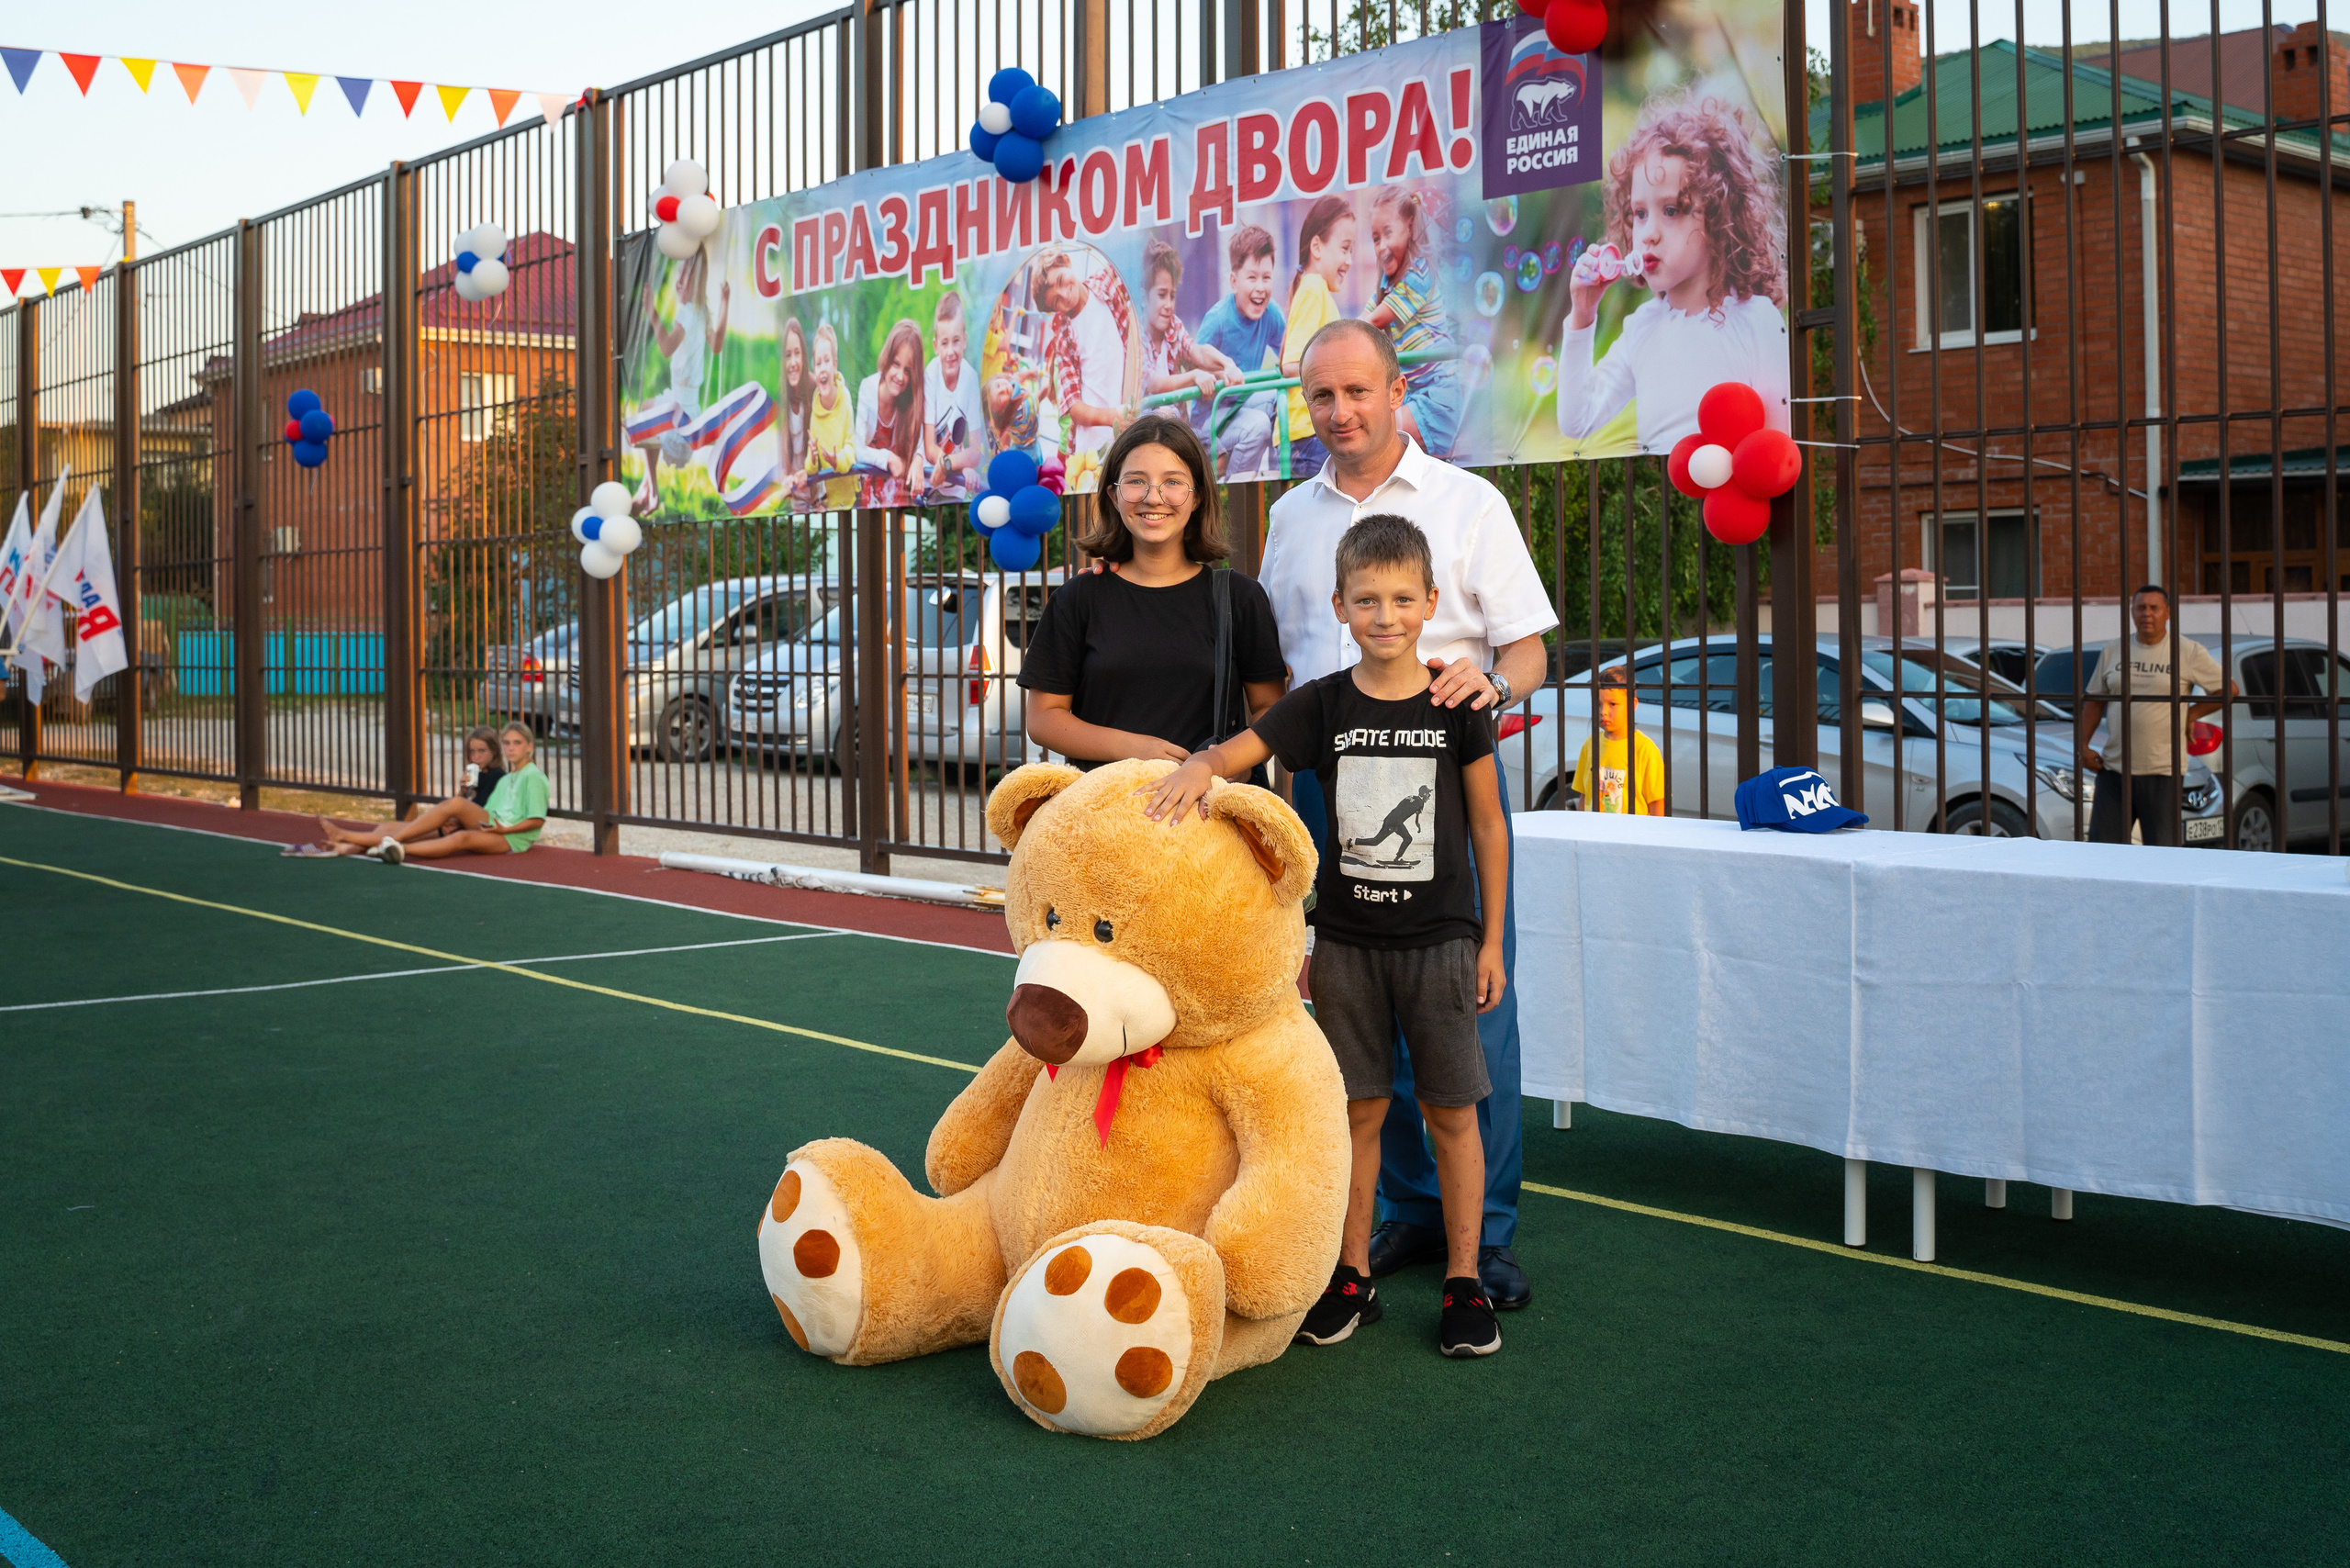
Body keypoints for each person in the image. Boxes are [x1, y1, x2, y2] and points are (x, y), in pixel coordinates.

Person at [1143, 513, 1510, 1358]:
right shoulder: (1324, 705)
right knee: (1356, 1112)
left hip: (1442, 945)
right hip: (1346, 945)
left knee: (1453, 1114)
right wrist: (1197, 766)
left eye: (1402, 600)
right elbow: (1238, 752)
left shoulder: (1456, 702)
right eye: (1367, 600)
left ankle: (1464, 1279)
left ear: (1430, 604)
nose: (1386, 616)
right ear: (1341, 606)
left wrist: (1490, 942)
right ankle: (1351, 1277)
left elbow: (1488, 828)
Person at [1256, 317, 1558, 1311]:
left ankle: (1493, 1237)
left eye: (1357, 393)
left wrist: (1491, 688)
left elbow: (1527, 653)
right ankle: (1408, 1211)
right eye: (1321, 399)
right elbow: (1287, 677)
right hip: (1326, 783)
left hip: (1442, 775)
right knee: (1357, 1018)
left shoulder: (1469, 504)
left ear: (1396, 391)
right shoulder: (1292, 517)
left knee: (1476, 1013)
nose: (1340, 414)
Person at [1020, 415, 1286, 767]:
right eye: (1136, 482)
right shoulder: (1079, 599)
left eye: (1172, 482)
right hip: (1102, 812)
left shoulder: (1239, 598)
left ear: (1197, 498)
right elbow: (1043, 719)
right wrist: (1133, 749)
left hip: (1205, 812)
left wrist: (1225, 762)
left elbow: (1270, 709)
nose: (1153, 498)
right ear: (1114, 495)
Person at [1552, 91, 1788, 454]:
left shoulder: (1757, 320)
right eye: (1640, 214)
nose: (1648, 234)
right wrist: (1582, 315)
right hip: (1663, 507)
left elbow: (1777, 447)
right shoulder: (1641, 328)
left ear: (1720, 215)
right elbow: (1576, 422)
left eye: (1673, 210)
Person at [2076, 583, 2237, 846]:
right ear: (2132, 611)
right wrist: (2081, 746)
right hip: (2114, 771)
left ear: (2168, 613)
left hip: (2163, 772)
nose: (2146, 614)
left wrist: (2190, 714)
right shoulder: (2113, 650)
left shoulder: (2187, 651)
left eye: (2154, 608)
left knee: (2162, 855)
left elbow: (2228, 690)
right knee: (2103, 852)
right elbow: (2094, 702)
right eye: (2140, 608)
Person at [318, 723, 549, 864]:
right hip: (491, 826)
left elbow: (536, 820)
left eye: (517, 743)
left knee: (458, 827)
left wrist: (503, 829)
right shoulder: (508, 778)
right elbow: (487, 810)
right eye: (507, 743)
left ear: (530, 746)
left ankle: (379, 843)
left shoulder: (534, 777)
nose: (511, 748)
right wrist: (463, 803)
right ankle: (382, 845)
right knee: (397, 826)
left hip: (511, 838)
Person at [625, 247, 731, 515]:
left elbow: (666, 347)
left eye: (687, 274)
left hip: (677, 418)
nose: (680, 280)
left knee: (637, 421)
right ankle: (649, 487)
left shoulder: (685, 313)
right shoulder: (702, 312)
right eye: (680, 272)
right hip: (690, 415)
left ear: (696, 281)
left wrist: (651, 311)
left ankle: (651, 489)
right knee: (648, 409)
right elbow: (717, 345)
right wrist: (724, 304)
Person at [296, 727, 505, 858]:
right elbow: (462, 808)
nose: (475, 756)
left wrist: (454, 819)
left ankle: (346, 835)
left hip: (471, 832)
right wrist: (461, 790)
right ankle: (351, 847)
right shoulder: (476, 776)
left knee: (406, 833)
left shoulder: (497, 776)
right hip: (452, 826)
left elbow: (479, 813)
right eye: (472, 751)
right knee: (386, 826)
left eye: (481, 751)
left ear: (494, 751)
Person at [1363, 186, 1462, 459]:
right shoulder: (1385, 285)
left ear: (1410, 227)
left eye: (1388, 233)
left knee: (1378, 433)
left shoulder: (1420, 273)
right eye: (1375, 238)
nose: (1381, 245)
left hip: (1437, 394)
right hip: (1409, 393)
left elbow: (1371, 321)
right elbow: (1361, 321)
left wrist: (1336, 340)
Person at [1193, 223, 1287, 479]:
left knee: (1281, 398)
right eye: (1252, 277)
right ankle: (1233, 493)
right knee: (1257, 427)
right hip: (1209, 418)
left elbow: (1288, 355)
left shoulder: (1271, 315)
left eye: (1266, 277)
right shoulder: (1219, 319)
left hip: (1241, 401)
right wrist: (1223, 368)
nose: (1260, 287)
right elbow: (1195, 359)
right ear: (1234, 281)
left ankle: (1283, 476)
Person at [1279, 196, 1358, 476]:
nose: (1349, 260)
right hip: (1307, 434)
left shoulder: (1317, 290)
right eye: (1345, 249)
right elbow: (1290, 365)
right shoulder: (1313, 287)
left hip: (1313, 432)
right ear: (1316, 247)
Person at [1035, 250, 1135, 454]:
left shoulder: (1109, 282)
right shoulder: (1064, 337)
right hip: (1094, 441)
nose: (1064, 295)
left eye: (1061, 280)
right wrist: (1113, 417)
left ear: (1067, 261)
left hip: (1130, 421)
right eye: (1056, 301)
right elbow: (1074, 408)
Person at [1136, 239, 1243, 401]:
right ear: (1144, 298)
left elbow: (1198, 352)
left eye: (1172, 296)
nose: (1168, 305)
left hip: (1177, 424)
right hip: (1148, 424)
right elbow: (1154, 383)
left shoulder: (1173, 326)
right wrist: (1194, 376)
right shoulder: (1136, 337)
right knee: (1164, 413)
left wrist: (1227, 366)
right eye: (1161, 295)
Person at [1572, 665, 1666, 813]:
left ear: (1633, 704)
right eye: (1598, 704)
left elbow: (1657, 804)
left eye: (1613, 704)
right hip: (1593, 833)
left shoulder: (1645, 749)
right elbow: (1583, 796)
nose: (1603, 712)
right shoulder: (1590, 744)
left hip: (1630, 835)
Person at [922, 292, 989, 499]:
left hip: (954, 485)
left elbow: (975, 451)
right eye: (944, 343)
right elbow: (930, 446)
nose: (951, 351)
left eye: (956, 341)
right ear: (935, 346)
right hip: (927, 479)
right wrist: (957, 465)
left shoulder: (970, 378)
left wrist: (952, 466)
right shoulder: (930, 375)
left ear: (965, 341)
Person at [855, 318, 928, 507]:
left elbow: (924, 440)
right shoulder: (868, 389)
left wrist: (919, 458)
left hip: (896, 497)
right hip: (867, 492)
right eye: (896, 364)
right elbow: (857, 448)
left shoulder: (911, 401)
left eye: (908, 371)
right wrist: (887, 457)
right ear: (887, 359)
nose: (900, 376)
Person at [804, 322, 859, 512]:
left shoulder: (844, 399)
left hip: (852, 501)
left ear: (835, 364)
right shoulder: (815, 409)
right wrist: (812, 458)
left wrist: (837, 460)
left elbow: (851, 450)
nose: (822, 368)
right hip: (828, 506)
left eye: (827, 361)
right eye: (818, 363)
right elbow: (811, 468)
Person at [778, 316, 814, 508]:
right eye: (787, 355)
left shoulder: (815, 388)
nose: (793, 362)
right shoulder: (782, 398)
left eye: (797, 353)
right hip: (796, 497)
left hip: (819, 496)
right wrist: (786, 476)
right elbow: (781, 458)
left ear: (804, 356)